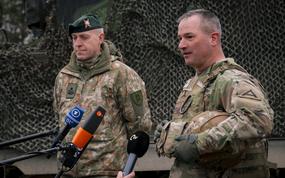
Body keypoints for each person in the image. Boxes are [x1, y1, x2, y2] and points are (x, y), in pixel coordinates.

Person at [155, 9, 274, 178]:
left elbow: (257, 121)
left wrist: (199, 144)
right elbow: (199, 126)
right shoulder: (194, 83)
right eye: (180, 38)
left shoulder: (232, 79)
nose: (181, 45)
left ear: (213, 38)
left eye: (189, 37)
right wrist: (170, 132)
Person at [53, 14, 152, 178]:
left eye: (84, 37)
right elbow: (59, 116)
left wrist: (126, 167)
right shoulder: (64, 76)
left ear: (100, 37)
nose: (78, 43)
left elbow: (140, 126)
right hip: (67, 170)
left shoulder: (121, 74)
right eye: (74, 38)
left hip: (106, 171)